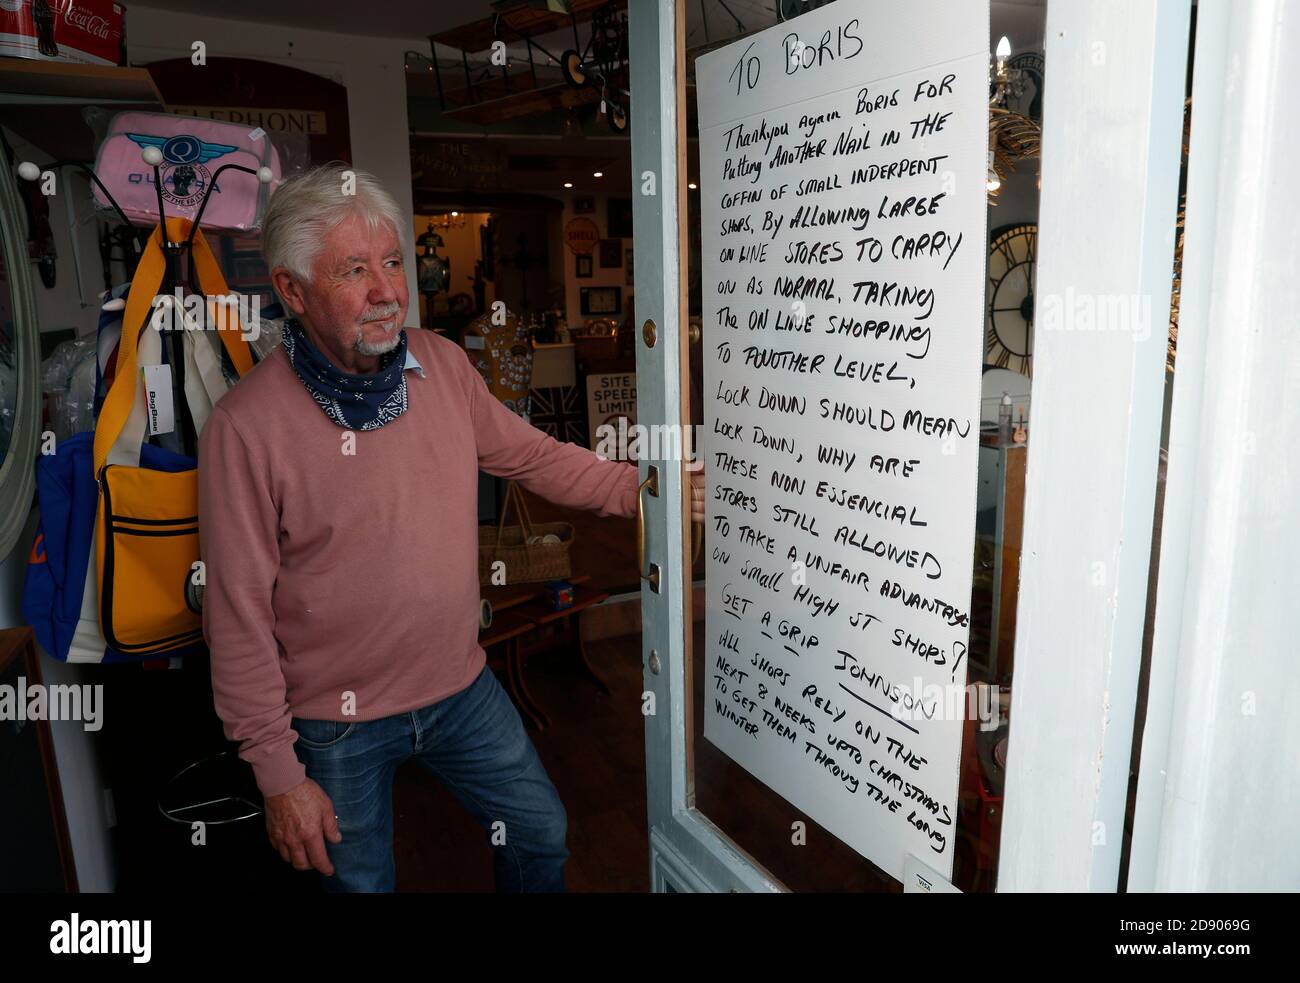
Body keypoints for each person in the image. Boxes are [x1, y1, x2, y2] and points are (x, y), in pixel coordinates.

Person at [198, 164, 704, 892]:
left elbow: (530, 454)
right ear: (291, 290)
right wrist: (277, 773)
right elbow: (236, 612)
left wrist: (643, 491)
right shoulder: (244, 426)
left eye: (393, 263)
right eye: (354, 270)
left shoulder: (440, 365)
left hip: (460, 688)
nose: (386, 291)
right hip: (333, 721)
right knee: (359, 885)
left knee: (541, 836)